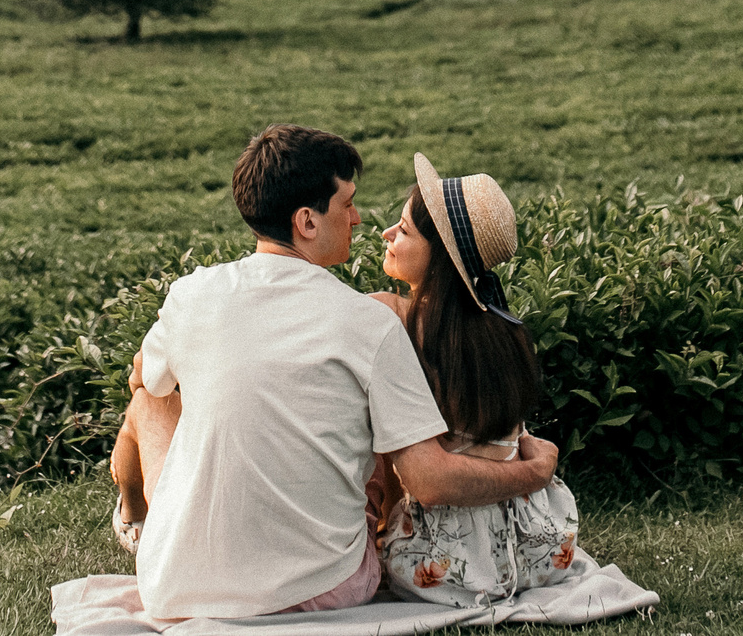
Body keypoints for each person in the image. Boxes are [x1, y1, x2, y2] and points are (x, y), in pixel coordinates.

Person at [109, 125, 560, 619]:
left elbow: (144, 378)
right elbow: (429, 480)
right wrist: (534, 471)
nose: (360, 218)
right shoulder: (369, 322)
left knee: (149, 399)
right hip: (324, 590)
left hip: (175, 590)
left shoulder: (191, 295)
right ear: (307, 221)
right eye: (346, 204)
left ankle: (140, 521)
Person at [368, 154, 581, 605]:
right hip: (540, 548)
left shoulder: (395, 320)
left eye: (404, 230)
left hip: (446, 567)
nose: (387, 234)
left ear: (440, 256)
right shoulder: (502, 329)